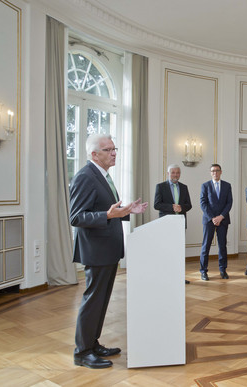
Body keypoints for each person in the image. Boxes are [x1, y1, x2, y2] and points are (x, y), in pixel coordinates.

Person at [70, 133, 148, 369]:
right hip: (96, 250)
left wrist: (124, 211)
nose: (114, 153)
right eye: (108, 150)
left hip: (107, 249)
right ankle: (82, 352)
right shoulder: (85, 176)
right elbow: (76, 216)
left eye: (114, 149)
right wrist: (108, 215)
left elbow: (104, 209)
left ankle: (92, 344)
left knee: (101, 301)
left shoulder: (102, 175)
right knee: (93, 300)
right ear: (94, 154)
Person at [154, 163, 193, 284]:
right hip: (166, 224)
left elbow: (189, 205)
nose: (175, 175)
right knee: (166, 251)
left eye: (177, 173)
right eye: (173, 172)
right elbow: (157, 205)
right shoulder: (160, 186)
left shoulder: (184, 187)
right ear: (168, 174)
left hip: (180, 224)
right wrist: (172, 207)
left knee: (179, 252)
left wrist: (181, 208)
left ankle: (179, 277)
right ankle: (166, 277)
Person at [199, 163, 233, 281]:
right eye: (213, 171)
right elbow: (203, 203)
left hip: (223, 220)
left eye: (217, 170)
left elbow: (229, 203)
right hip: (209, 220)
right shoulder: (205, 186)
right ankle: (203, 271)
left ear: (221, 172)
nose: (215, 173)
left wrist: (221, 217)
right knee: (206, 246)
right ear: (210, 173)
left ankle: (223, 270)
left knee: (222, 245)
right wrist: (213, 218)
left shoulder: (227, 186)